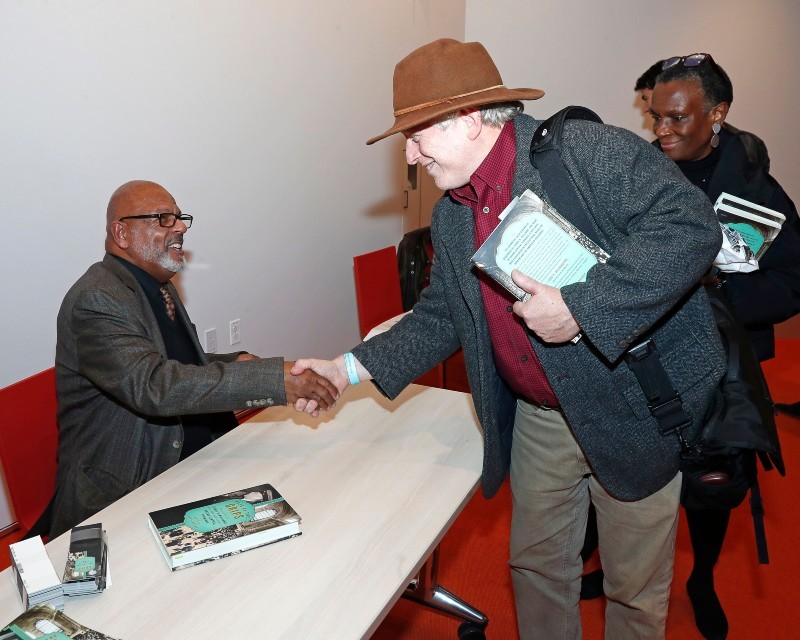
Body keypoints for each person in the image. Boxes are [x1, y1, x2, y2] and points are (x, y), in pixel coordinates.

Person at [293, 39, 726, 639]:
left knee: (633, 590)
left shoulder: (584, 152)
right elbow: (441, 314)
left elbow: (692, 228)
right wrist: (346, 368)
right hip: (540, 416)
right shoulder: (453, 214)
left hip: (633, 409)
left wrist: (581, 307)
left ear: (468, 119)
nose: (412, 158)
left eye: (417, 138)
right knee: (536, 568)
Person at [50, 180, 338, 538]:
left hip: (200, 458)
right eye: (164, 219)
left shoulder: (157, 284)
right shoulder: (96, 298)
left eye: (180, 217)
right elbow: (155, 386)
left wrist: (238, 361)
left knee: (318, 493)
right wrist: (272, 380)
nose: (181, 227)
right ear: (121, 233)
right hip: (129, 488)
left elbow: (174, 363)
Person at [650, 54, 800, 640]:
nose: (662, 131)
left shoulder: (757, 190)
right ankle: (611, 561)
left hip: (723, 367)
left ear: (717, 114)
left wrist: (718, 301)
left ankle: (702, 578)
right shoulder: (644, 174)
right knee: (625, 471)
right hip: (644, 360)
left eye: (677, 119)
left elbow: (793, 282)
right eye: (655, 117)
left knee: (712, 485)